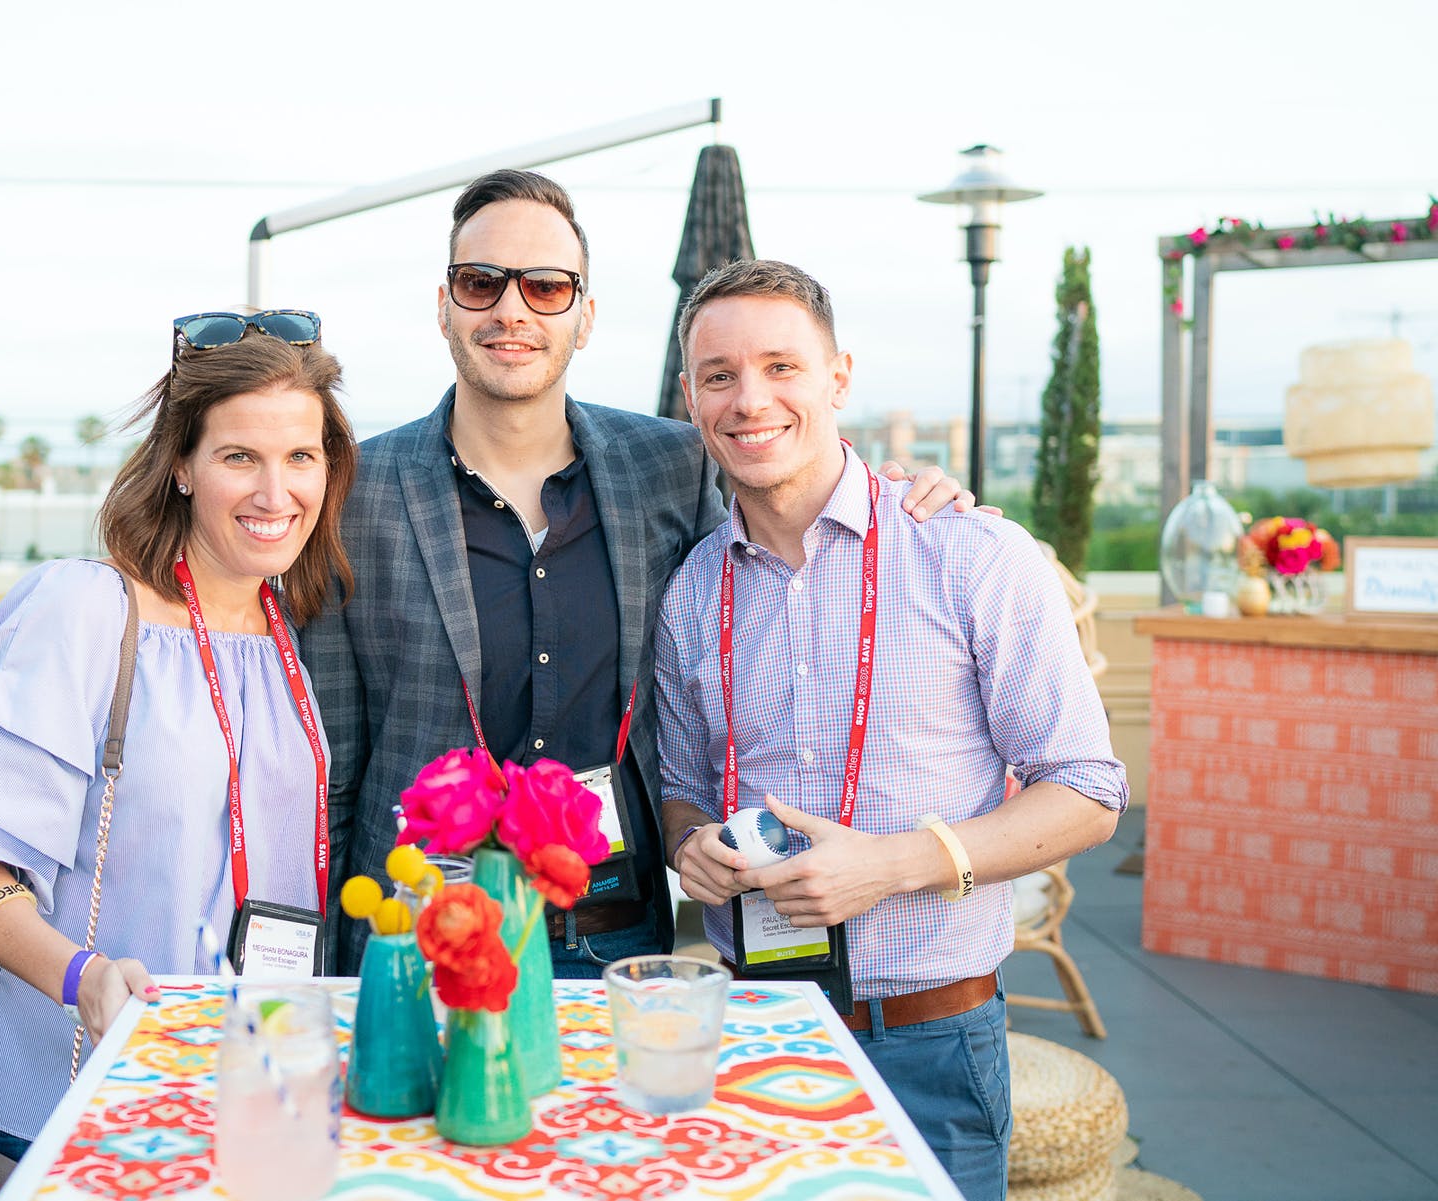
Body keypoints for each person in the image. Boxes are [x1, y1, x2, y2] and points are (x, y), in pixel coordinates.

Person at [302, 169, 980, 977]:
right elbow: (327, 770)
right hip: (421, 933)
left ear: (584, 317)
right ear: (445, 305)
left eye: (546, 286)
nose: (512, 309)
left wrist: (899, 496)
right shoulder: (353, 490)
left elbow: (772, 560)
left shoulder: (670, 465)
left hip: (614, 934)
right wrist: (329, 971)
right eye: (481, 282)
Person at [655, 258, 1128, 1201]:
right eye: (719, 375)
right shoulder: (690, 590)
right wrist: (690, 846)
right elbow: (682, 792)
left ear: (838, 377)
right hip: (756, 1028)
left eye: (781, 367)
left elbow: (1088, 792)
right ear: (692, 399)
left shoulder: (973, 553)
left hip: (930, 1044)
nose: (750, 399)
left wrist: (890, 864)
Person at [0, 312, 356, 1160]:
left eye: (300, 457)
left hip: (243, 1088)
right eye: (241, 456)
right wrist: (80, 978)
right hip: (78, 1092)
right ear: (181, 466)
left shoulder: (290, 635)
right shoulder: (87, 609)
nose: (276, 493)